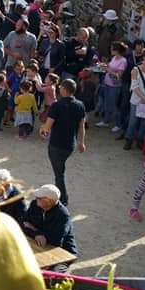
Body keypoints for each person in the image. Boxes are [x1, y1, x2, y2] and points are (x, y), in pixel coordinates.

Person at [39, 79, 86, 207]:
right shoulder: (80, 105)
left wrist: (42, 129)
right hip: (70, 144)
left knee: (59, 174)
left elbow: (47, 126)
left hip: (56, 145)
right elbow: (81, 127)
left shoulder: (56, 105)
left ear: (64, 90)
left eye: (61, 87)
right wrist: (81, 142)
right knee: (60, 170)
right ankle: (62, 197)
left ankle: (63, 199)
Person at [22, 184, 78, 266]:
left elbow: (54, 241)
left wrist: (32, 227)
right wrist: (37, 233)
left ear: (50, 201)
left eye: (39, 198)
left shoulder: (63, 215)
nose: (36, 199)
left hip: (63, 253)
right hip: (38, 245)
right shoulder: (35, 204)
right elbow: (23, 223)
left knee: (52, 275)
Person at [95, 42, 128, 134]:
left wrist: (108, 70)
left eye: (112, 49)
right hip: (107, 84)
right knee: (106, 103)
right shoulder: (114, 58)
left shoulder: (123, 61)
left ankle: (118, 124)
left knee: (114, 105)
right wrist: (105, 65)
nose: (111, 50)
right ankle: (106, 121)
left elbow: (119, 75)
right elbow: (110, 67)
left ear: (117, 50)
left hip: (115, 86)